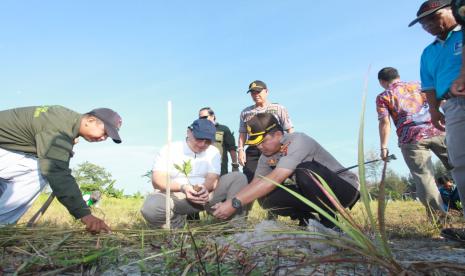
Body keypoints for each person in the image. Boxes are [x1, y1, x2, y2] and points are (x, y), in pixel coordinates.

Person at [212, 113, 360, 228]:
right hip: (312, 193)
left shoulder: (298, 141)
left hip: (345, 190)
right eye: (256, 144)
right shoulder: (266, 156)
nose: (259, 147)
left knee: (305, 172)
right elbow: (256, 184)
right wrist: (230, 201)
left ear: (278, 134)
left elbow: (276, 177)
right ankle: (308, 222)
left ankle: (331, 224)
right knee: (265, 197)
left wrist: (234, 204)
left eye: (262, 141)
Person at [0, 105, 123, 233]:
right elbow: (57, 172)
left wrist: (63, 150)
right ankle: (2, 227)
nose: (103, 138)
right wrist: (85, 215)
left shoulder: (64, 119)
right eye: (105, 132)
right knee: (40, 171)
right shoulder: (60, 129)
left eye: (107, 136)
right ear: (90, 120)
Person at [409, 0, 465, 240]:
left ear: (453, 10)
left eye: (433, 18)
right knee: (460, 161)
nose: (429, 25)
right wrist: (433, 110)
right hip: (452, 105)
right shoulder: (429, 52)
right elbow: (429, 85)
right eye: (423, 23)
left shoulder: (462, 34)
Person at [140, 118, 248, 229]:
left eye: (208, 141)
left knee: (238, 178)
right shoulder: (169, 149)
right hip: (177, 195)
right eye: (199, 138)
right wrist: (183, 188)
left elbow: (213, 178)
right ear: (189, 132)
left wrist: (204, 188)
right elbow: (157, 180)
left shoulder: (213, 151)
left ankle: (234, 226)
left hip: (207, 195)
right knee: (151, 207)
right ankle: (177, 228)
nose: (202, 144)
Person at [376, 67, 451, 215]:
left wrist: (383, 147)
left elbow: (385, 122)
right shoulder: (418, 85)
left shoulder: (384, 96)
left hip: (411, 139)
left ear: (382, 82)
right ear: (398, 76)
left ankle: (440, 218)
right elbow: (441, 101)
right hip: (438, 130)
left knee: (424, 177)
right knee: (458, 165)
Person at [238, 80, 294, 183]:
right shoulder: (245, 112)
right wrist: (240, 150)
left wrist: (290, 147)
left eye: (258, 92)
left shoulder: (278, 108)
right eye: (252, 93)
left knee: (275, 176)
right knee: (249, 176)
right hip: (254, 148)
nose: (255, 95)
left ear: (266, 91)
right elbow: (242, 133)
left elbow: (289, 129)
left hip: (274, 148)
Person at [198, 107, 239, 175]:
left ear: (212, 116)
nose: (202, 120)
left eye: (205, 117)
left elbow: (232, 148)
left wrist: (235, 165)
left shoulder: (224, 129)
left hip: (220, 169)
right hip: (202, 169)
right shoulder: (197, 131)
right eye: (200, 118)